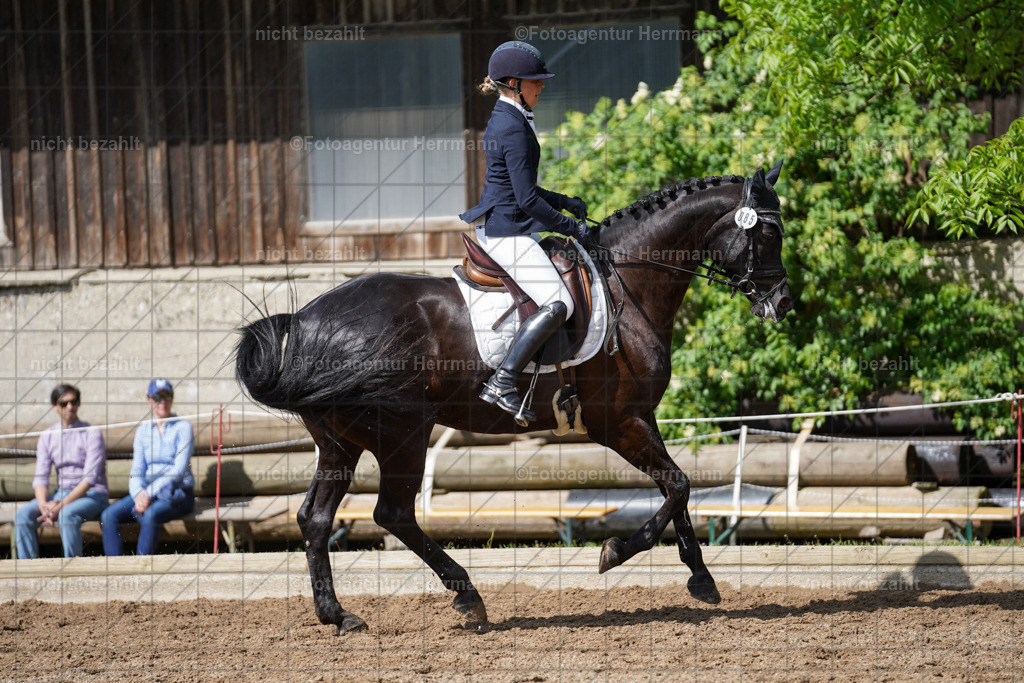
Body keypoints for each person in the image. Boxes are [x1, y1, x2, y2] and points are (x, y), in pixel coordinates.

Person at [460, 40, 591, 423]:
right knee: (558, 303)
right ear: (515, 83)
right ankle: (503, 380)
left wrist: (564, 200)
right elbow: (528, 202)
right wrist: (571, 228)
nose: (542, 87)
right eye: (536, 81)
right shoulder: (511, 125)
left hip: (505, 223)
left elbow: (523, 190)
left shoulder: (511, 116)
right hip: (508, 232)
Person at [101, 378, 194, 556]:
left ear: (173, 398)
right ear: (148, 399)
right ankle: (114, 569)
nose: (163, 401)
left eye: (167, 396)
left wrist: (148, 493)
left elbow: (179, 469)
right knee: (108, 516)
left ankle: (143, 566)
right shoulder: (143, 431)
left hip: (178, 492)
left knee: (150, 515)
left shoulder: (183, 427)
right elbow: (137, 470)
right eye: (157, 396)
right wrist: (138, 495)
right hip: (146, 492)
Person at [14, 384, 109, 559]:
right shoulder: (47, 436)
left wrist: (59, 506)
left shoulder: (92, 433)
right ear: (55, 407)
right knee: (22, 515)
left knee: (67, 515)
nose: (70, 406)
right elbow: (41, 478)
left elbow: (89, 480)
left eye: (74, 401)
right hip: (60, 495)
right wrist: (44, 505)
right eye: (64, 403)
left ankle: (73, 570)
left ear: (79, 403)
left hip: (93, 495)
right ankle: (29, 570)